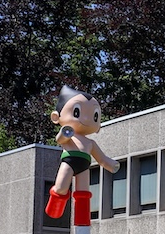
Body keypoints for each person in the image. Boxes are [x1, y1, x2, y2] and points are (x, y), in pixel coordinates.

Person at [44, 85, 119, 223]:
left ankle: (82, 220)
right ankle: (54, 209)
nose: (86, 119)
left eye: (94, 116)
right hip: (69, 161)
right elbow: (60, 139)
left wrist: (111, 164)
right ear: (56, 117)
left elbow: (101, 158)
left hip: (84, 166)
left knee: (83, 195)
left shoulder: (90, 143)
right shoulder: (69, 136)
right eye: (77, 112)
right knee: (60, 187)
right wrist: (65, 132)